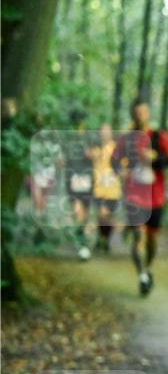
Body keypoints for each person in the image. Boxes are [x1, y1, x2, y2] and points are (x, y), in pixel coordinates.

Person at [112, 100, 168, 296]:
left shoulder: (158, 137)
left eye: (144, 112)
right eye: (137, 112)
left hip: (156, 196)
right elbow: (114, 160)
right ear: (133, 114)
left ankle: (147, 269)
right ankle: (142, 276)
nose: (140, 115)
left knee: (151, 239)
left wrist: (156, 157)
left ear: (148, 113)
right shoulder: (127, 138)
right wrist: (120, 171)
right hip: (134, 195)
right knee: (138, 235)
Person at [64, 111, 95, 261]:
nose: (79, 123)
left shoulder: (90, 137)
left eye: (81, 121)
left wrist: (92, 155)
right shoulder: (67, 138)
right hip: (72, 178)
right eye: (77, 121)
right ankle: (82, 244)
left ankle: (83, 242)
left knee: (85, 213)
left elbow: (98, 155)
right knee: (77, 211)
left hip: (87, 178)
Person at [90, 123, 122, 255]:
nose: (105, 133)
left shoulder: (116, 148)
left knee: (108, 216)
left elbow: (122, 165)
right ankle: (101, 238)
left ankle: (105, 240)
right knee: (101, 215)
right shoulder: (95, 149)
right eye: (102, 131)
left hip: (113, 189)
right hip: (98, 188)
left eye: (107, 131)